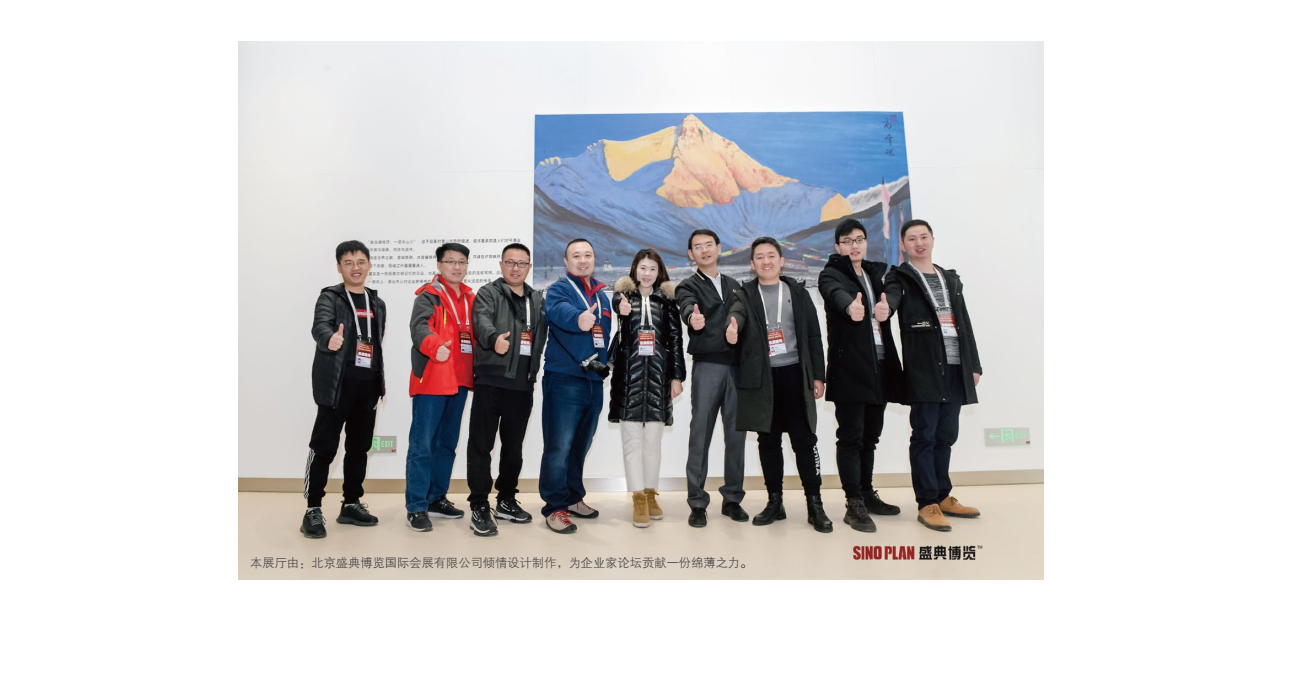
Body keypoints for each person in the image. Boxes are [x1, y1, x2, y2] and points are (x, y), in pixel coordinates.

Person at [726, 237, 832, 533]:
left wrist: (818, 376)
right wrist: (732, 328)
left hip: (796, 375)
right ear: (752, 264)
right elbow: (737, 315)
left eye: (771, 255)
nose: (766, 261)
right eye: (759, 257)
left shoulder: (798, 292)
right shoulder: (745, 294)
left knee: (804, 441)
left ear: (782, 261)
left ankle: (815, 503)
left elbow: (813, 336)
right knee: (768, 442)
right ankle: (775, 501)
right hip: (763, 379)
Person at [883, 219, 984, 532]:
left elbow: (963, 321)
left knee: (946, 436)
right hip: (924, 368)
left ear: (932, 240)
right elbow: (892, 298)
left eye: (924, 237)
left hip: (955, 367)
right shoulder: (900, 277)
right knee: (924, 436)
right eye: (912, 238)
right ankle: (927, 502)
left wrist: (973, 364)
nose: (919, 243)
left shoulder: (949, 278)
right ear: (903, 245)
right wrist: (885, 308)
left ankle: (943, 495)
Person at [818, 219, 905, 533]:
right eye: (847, 241)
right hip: (850, 369)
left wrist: (888, 305)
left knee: (871, 436)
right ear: (838, 246)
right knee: (851, 438)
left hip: (880, 366)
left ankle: (867, 493)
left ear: (866, 242)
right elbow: (834, 293)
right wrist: (849, 308)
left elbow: (895, 287)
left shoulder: (875, 274)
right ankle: (853, 502)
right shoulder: (831, 274)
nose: (854, 246)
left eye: (859, 239)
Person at [301, 240, 386, 538]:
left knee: (359, 448)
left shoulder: (376, 302)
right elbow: (320, 326)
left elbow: (376, 344)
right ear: (339, 267)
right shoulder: (330, 297)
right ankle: (312, 509)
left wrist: (378, 384)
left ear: (369, 265)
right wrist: (329, 339)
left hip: (367, 387)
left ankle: (351, 503)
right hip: (336, 386)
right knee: (324, 448)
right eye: (348, 263)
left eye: (361, 262)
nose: (355, 268)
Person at [463, 243, 547, 536]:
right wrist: (494, 339)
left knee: (513, 448)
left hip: (522, 384)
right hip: (491, 380)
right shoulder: (489, 293)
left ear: (529, 267)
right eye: (510, 262)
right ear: (501, 265)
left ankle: (506, 500)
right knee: (481, 446)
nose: (515, 268)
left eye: (521, 263)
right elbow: (481, 322)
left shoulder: (537, 299)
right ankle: (479, 505)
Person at [538, 238, 614, 534]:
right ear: (567, 262)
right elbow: (558, 311)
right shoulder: (560, 289)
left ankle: (572, 498)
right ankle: (554, 507)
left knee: (581, 444)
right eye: (576, 256)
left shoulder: (601, 295)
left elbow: (603, 335)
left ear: (594, 259)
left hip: (593, 380)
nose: (583, 260)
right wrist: (578, 318)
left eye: (588, 255)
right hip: (564, 379)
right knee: (559, 446)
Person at [675, 229, 748, 528]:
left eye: (709, 245)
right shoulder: (688, 285)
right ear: (690, 254)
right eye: (698, 247)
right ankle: (697, 502)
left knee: (736, 436)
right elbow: (685, 305)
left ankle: (732, 499)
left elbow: (744, 315)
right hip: (708, 366)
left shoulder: (735, 285)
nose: (704, 250)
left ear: (719, 248)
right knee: (700, 434)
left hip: (737, 367)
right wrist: (692, 318)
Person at [608, 249, 686, 528]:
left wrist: (677, 377)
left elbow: (675, 341)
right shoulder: (623, 297)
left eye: (652, 269)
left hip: (658, 378)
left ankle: (651, 494)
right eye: (642, 268)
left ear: (659, 272)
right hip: (628, 378)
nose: (647, 273)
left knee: (653, 444)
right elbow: (616, 306)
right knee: (631, 444)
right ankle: (638, 498)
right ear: (634, 270)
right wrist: (620, 307)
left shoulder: (667, 301)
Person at [405, 243, 475, 532]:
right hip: (433, 380)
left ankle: (436, 498)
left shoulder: (471, 298)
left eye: (462, 262)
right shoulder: (428, 296)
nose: (457, 267)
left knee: (447, 444)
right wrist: (435, 346)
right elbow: (419, 327)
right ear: (439, 265)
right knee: (422, 445)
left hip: (460, 382)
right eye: (450, 261)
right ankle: (416, 506)